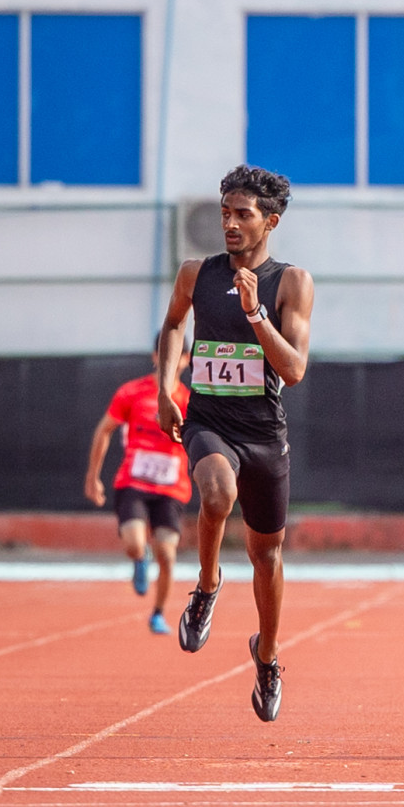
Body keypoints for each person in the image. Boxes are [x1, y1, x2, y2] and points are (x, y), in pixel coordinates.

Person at [155, 164, 315, 723]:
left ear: (270, 221)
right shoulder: (195, 273)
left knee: (266, 553)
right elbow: (174, 326)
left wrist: (255, 314)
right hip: (208, 419)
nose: (229, 223)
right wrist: (166, 388)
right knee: (216, 493)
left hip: (264, 432)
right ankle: (206, 585)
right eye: (225, 213)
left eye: (242, 214)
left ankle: (267, 656)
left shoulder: (290, 282)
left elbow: (293, 369)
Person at [84, 339, 193, 635]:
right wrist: (93, 477)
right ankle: (139, 557)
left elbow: (202, 442)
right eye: (165, 353)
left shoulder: (190, 400)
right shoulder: (131, 392)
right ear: (155, 356)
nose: (172, 360)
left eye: (179, 355)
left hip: (171, 488)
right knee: (134, 542)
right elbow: (104, 430)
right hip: (134, 482)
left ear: (186, 359)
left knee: (168, 554)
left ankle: (158, 613)